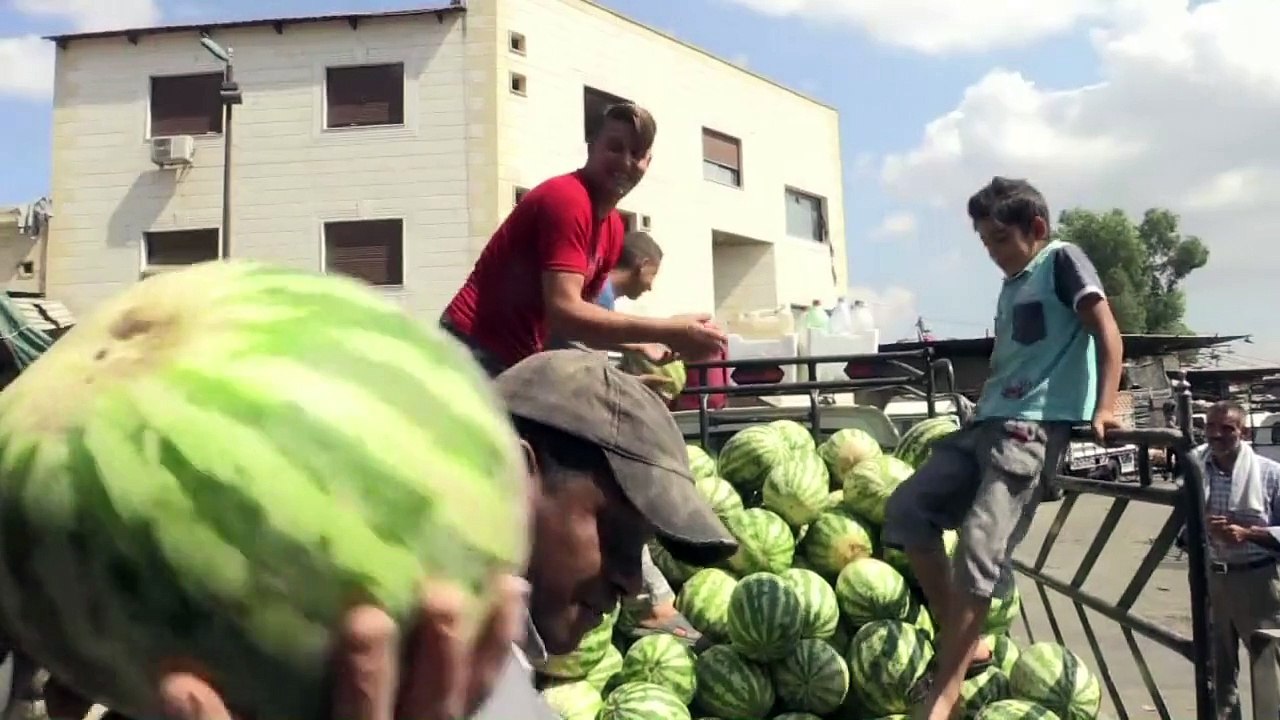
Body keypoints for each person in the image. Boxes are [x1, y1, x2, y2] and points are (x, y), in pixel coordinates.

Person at [35, 350, 735, 720]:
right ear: (509, 478)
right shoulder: (339, 631)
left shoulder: (483, 670)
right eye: (616, 535)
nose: (629, 581)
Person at [881, 176, 1124, 720]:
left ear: (1035, 227)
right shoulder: (1014, 282)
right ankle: (965, 642)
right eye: (985, 243)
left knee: (978, 547)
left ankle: (945, 694)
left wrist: (1105, 406)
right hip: (986, 422)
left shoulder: (1062, 261)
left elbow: (1107, 331)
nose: (992, 253)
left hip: (1029, 430)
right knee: (907, 510)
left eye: (1000, 240)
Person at [439, 102, 724, 377]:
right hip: (470, 345)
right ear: (591, 147)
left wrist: (642, 344)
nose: (626, 161)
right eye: (615, 148)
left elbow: (580, 325)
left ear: (647, 162)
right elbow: (564, 312)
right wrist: (669, 330)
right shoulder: (568, 199)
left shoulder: (613, 228)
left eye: (637, 153)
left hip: (513, 357)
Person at [1194, 401, 1280, 720]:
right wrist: (1202, 527)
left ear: (1243, 432)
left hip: (1258, 582)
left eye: (1227, 428)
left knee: (1268, 668)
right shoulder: (1197, 471)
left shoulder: (1270, 474)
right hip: (1214, 580)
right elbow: (1183, 528)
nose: (1216, 435)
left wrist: (1247, 534)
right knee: (1218, 669)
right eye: (1210, 427)